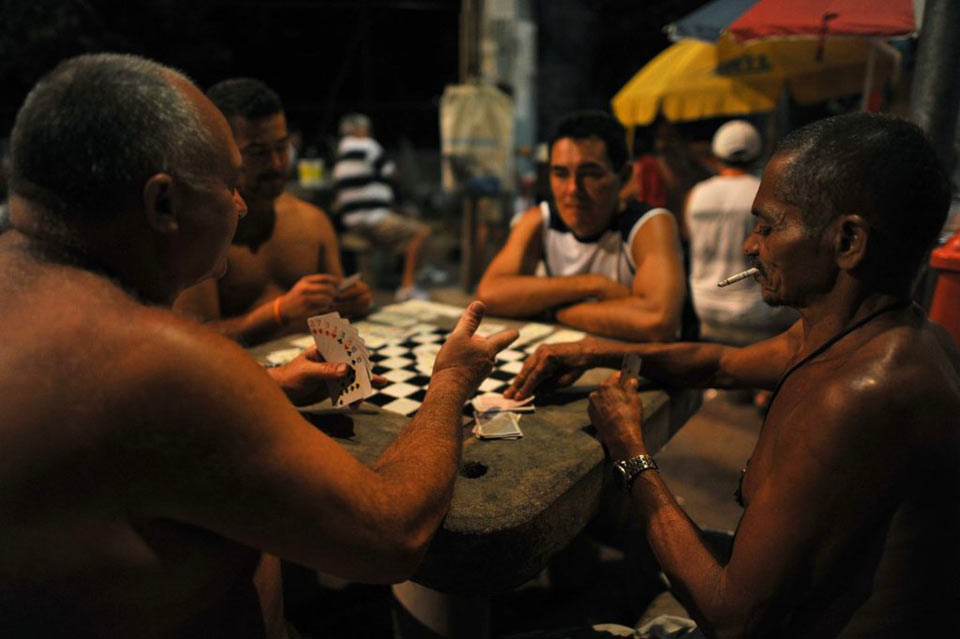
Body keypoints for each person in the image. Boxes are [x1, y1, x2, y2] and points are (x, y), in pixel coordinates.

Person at [0, 53, 517, 638]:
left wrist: (267, 386)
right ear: (163, 204)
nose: (242, 201)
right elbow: (394, 535)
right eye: (228, 183)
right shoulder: (161, 365)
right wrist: (450, 381)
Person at [505, 113, 960, 637]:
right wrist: (593, 352)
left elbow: (732, 618)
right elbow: (721, 363)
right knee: (625, 555)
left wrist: (629, 447)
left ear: (847, 241)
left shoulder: (862, 394)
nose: (750, 245)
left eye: (768, 226)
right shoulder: (862, 332)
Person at [173, 78, 371, 345]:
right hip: (239, 377)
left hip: (313, 372)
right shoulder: (201, 231)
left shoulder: (313, 221)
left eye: (281, 147)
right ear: (223, 152)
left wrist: (353, 302)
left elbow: (336, 320)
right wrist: (279, 312)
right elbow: (191, 341)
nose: (276, 164)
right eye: (258, 152)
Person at [476, 111, 686, 342]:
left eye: (590, 174)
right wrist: (592, 285)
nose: (573, 189)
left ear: (624, 176)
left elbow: (659, 321)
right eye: (560, 174)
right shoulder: (539, 219)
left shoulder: (649, 225)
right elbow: (490, 294)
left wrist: (556, 310)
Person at [685, 120, 795, 345]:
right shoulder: (766, 192)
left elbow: (687, 236)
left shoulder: (696, 194)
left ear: (717, 152)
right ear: (759, 153)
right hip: (759, 313)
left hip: (706, 306)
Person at [331, 113, 432, 302]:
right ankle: (407, 287)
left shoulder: (340, 154)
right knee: (420, 232)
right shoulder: (368, 146)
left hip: (351, 220)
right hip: (372, 218)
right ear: (360, 130)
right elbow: (392, 173)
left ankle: (398, 279)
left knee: (404, 222)